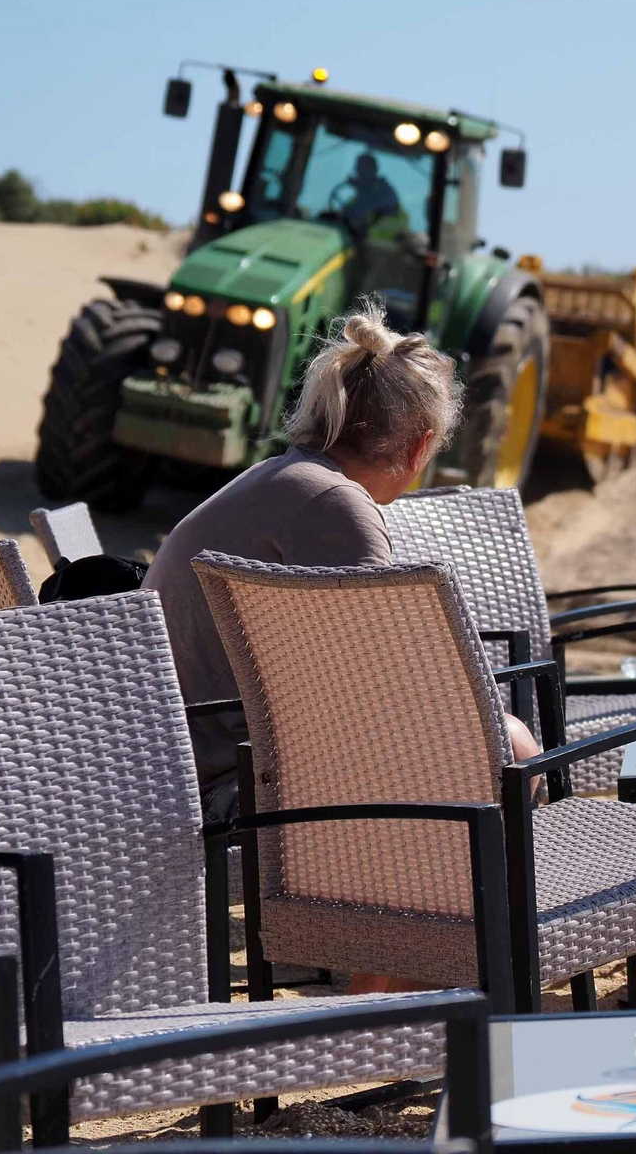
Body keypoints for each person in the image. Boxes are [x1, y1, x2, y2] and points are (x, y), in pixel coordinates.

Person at [145, 299, 540, 827]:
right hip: (241, 795)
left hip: (179, 773)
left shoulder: (277, 479)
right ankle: (492, 905)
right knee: (512, 748)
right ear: (422, 446)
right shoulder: (334, 504)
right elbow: (376, 687)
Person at [342, 152, 400, 228]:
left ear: (375, 170)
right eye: (359, 169)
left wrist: (361, 187)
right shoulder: (360, 195)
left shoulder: (384, 191)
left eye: (365, 169)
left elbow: (366, 212)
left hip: (381, 237)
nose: (361, 173)